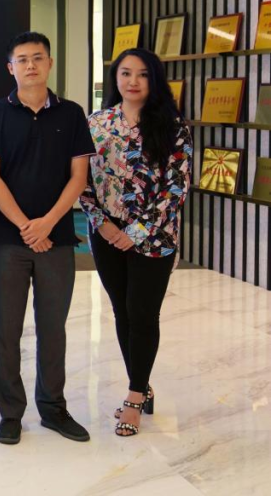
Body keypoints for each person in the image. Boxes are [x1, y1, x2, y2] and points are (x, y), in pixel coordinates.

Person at [0, 31, 96, 445]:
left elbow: (78, 177)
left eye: (38, 58)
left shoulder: (72, 114)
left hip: (57, 240)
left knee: (53, 329)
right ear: (11, 67)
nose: (30, 65)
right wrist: (28, 226)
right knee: (7, 330)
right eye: (22, 59)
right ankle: (10, 413)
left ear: (49, 63)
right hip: (8, 241)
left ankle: (53, 408)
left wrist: (47, 224)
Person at [79, 48, 192, 437]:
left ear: (154, 80)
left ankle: (133, 397)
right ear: (116, 78)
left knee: (143, 314)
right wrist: (103, 225)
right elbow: (81, 181)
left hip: (155, 238)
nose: (133, 81)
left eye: (142, 74)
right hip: (106, 235)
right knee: (122, 313)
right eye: (125, 73)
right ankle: (142, 385)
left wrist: (137, 232)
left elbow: (176, 188)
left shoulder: (173, 127)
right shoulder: (96, 123)